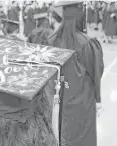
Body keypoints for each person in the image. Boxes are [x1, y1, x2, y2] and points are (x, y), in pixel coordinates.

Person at [47, 2, 104, 146]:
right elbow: (97, 72)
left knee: (59, 135)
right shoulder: (87, 43)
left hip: (56, 103)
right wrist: (98, 99)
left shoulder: (51, 40)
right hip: (81, 105)